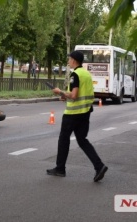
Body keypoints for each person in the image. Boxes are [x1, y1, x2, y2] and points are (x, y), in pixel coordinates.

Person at [46, 50, 108, 182]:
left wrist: (60, 92)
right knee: (82, 140)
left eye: (69, 59)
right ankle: (99, 166)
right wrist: (65, 96)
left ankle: (60, 169)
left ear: (74, 60)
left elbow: (74, 95)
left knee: (63, 139)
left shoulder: (75, 74)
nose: (68, 61)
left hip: (73, 114)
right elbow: (79, 94)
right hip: (85, 112)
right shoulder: (86, 74)